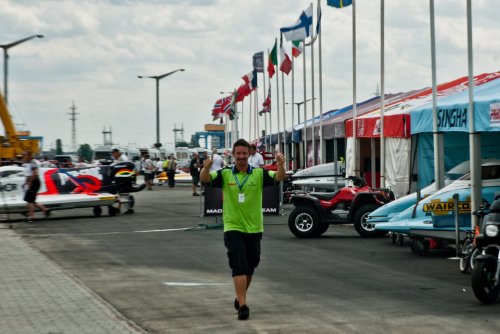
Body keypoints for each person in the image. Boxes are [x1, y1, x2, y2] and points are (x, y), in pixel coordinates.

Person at [200, 139, 285, 320]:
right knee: (239, 263)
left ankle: (239, 297)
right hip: (233, 227)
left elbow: (279, 178)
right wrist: (206, 168)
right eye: (238, 154)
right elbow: (205, 179)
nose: (241, 157)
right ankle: (243, 306)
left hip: (254, 227)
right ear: (233, 155)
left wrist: (281, 165)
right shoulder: (224, 174)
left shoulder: (259, 174)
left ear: (249, 154)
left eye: (244, 154)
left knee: (251, 265)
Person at [22, 151, 50, 223]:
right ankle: (45, 210)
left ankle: (31, 217)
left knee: (29, 200)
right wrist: (26, 183)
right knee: (31, 200)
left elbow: (35, 174)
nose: (23, 157)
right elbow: (28, 174)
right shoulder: (28, 163)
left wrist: (30, 183)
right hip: (32, 182)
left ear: (29, 156)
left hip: (34, 182)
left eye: (24, 155)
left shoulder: (33, 162)